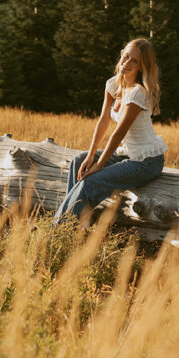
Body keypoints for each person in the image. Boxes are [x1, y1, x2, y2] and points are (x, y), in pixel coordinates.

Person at [53, 37, 167, 224]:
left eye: (135, 61)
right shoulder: (113, 84)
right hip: (128, 154)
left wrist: (99, 165)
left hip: (147, 161)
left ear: (142, 67)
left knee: (91, 181)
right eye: (126, 56)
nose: (127, 62)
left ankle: (58, 229)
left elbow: (119, 133)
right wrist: (91, 156)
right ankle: (73, 222)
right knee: (78, 161)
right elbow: (104, 121)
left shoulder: (138, 93)